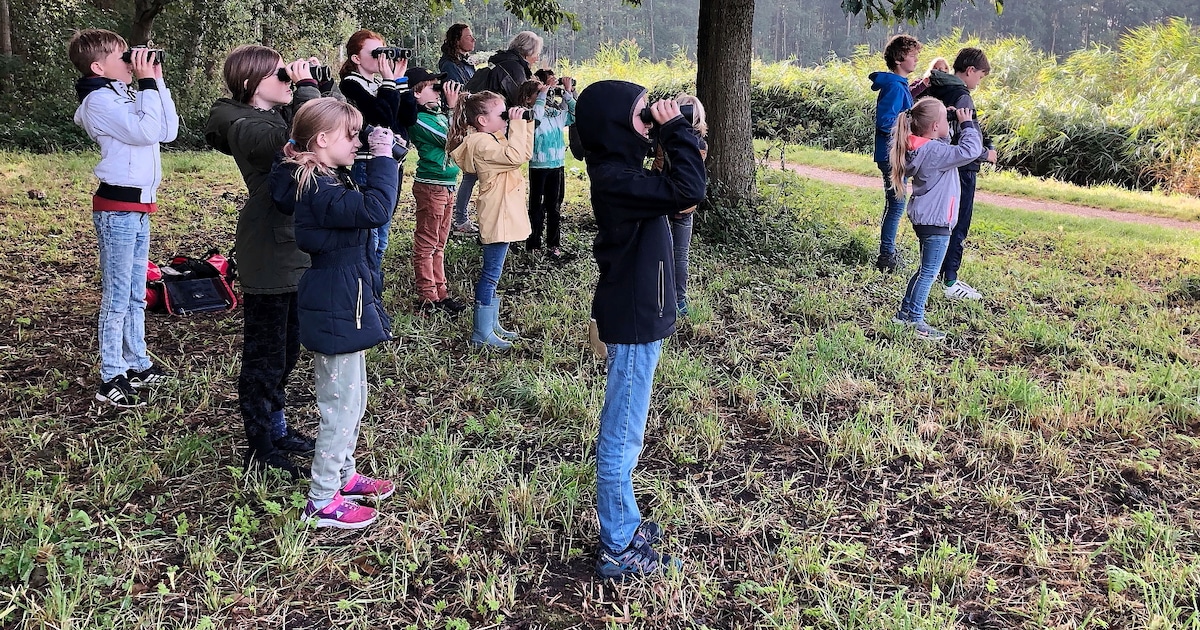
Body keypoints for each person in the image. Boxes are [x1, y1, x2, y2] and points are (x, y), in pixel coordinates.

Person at [575, 80, 706, 580]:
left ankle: (624, 524)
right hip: (632, 319)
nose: (650, 116)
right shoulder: (613, 177)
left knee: (628, 429)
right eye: (639, 112)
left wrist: (669, 134)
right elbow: (689, 189)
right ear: (612, 125)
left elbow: (685, 196)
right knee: (621, 436)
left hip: (640, 311)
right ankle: (617, 544)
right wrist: (674, 130)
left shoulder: (625, 169)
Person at [268, 98, 398, 529]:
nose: (358, 142)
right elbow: (377, 211)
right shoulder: (317, 189)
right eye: (351, 136)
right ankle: (322, 500)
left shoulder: (326, 178)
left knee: (353, 398)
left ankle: (344, 475)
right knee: (339, 406)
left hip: (346, 294)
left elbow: (366, 207)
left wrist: (387, 156)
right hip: (335, 298)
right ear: (322, 141)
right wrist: (381, 160)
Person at [204, 45, 320, 479]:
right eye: (282, 76)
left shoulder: (274, 117)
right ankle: (260, 445)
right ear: (253, 82)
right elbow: (288, 141)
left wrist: (312, 90)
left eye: (291, 78)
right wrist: (307, 89)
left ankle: (277, 428)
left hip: (294, 247)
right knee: (265, 357)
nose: (289, 82)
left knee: (287, 350)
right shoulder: (238, 123)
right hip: (268, 251)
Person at [69, 29, 179, 408]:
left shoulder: (124, 93)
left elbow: (167, 131)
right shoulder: (99, 101)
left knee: (135, 293)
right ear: (99, 66)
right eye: (124, 57)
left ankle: (138, 362)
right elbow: (146, 130)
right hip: (117, 208)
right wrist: (147, 82)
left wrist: (156, 82)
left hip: (139, 207)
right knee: (117, 296)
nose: (133, 62)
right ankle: (110, 375)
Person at [889, 98, 983, 341]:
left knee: (924, 270)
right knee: (929, 273)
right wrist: (968, 125)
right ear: (933, 127)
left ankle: (904, 315)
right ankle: (917, 321)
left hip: (927, 219)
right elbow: (969, 151)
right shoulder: (933, 152)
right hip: (937, 222)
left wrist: (947, 118)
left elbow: (942, 142)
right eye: (943, 121)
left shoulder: (923, 148)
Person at [447, 91, 534, 350]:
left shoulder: (490, 138)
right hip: (498, 214)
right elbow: (514, 157)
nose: (507, 118)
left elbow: (523, 153)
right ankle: (481, 332)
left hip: (502, 212)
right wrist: (517, 124)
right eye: (502, 114)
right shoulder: (481, 143)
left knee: (494, 273)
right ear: (483, 120)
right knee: (490, 275)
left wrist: (525, 124)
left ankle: (491, 324)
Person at [338, 29, 418, 294]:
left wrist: (399, 80)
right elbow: (382, 116)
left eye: (384, 51)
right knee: (371, 235)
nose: (382, 58)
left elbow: (407, 118)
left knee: (382, 236)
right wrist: (387, 82)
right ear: (356, 58)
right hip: (368, 165)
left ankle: (372, 291)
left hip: (390, 164)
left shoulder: (379, 83)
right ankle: (365, 291)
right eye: (375, 53)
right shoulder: (351, 84)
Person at [926, 47, 998, 300]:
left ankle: (939, 275)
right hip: (964, 168)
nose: (979, 81)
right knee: (959, 223)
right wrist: (986, 153)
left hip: (942, 165)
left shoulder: (937, 87)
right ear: (969, 71)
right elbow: (967, 138)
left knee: (945, 221)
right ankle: (950, 281)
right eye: (980, 76)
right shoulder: (962, 96)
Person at [406, 67, 467, 315]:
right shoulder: (419, 119)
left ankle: (441, 293)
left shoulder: (437, 115)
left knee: (439, 244)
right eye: (433, 87)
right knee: (427, 243)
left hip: (447, 185)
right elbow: (451, 140)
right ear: (416, 94)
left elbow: (461, 138)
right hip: (431, 187)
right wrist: (453, 108)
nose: (439, 92)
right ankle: (427, 297)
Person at [652, 93, 708, 318]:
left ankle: (664, 299)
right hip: (686, 205)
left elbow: (659, 164)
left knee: (663, 252)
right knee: (680, 255)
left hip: (665, 200)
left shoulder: (667, 139)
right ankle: (680, 301)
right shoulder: (699, 142)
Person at [869, 34, 921, 273]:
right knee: (896, 206)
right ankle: (886, 256)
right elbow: (886, 121)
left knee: (894, 205)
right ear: (900, 59)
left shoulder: (898, 85)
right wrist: (907, 132)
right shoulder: (893, 86)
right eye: (913, 56)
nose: (916, 60)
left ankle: (887, 252)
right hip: (892, 155)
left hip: (894, 153)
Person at [524, 74, 576, 260]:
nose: (545, 96)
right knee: (536, 207)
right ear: (529, 98)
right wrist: (542, 94)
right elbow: (536, 117)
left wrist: (567, 92)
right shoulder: (528, 115)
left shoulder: (555, 115)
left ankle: (553, 244)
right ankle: (533, 243)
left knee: (554, 207)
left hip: (557, 166)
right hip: (538, 166)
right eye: (538, 94)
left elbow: (575, 112)